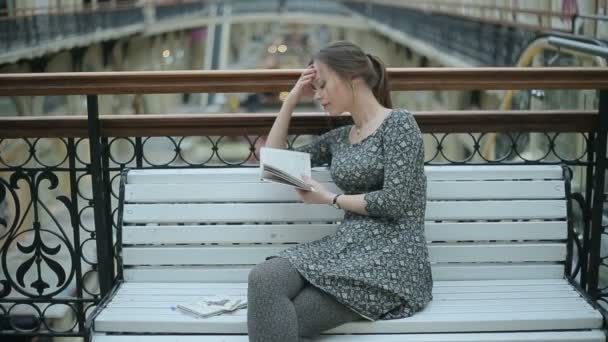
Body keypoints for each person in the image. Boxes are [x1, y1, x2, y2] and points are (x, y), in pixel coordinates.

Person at [247, 40, 433, 342]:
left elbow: (395, 202)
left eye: (322, 85)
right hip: (345, 249)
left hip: (392, 259)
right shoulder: (340, 139)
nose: (317, 95)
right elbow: (275, 164)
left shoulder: (400, 124)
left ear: (352, 78)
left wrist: (329, 199)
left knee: (288, 316)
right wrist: (291, 98)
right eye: (314, 88)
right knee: (263, 280)